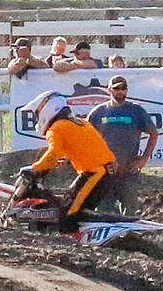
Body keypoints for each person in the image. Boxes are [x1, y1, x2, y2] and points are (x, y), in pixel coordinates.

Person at [27, 90, 116, 230]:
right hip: (103, 170)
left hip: (95, 173)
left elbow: (53, 152)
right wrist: (66, 160)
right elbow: (84, 146)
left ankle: (73, 241)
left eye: (37, 114)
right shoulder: (81, 122)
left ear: (46, 109)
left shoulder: (56, 128)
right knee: (72, 204)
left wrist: (35, 168)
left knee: (69, 213)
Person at [88, 76, 159, 213]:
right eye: (116, 89)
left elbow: (153, 133)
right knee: (104, 212)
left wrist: (143, 159)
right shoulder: (98, 112)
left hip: (128, 171)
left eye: (123, 88)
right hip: (104, 172)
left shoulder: (136, 111)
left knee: (130, 212)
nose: (120, 92)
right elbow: (85, 138)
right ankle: (109, 235)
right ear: (109, 90)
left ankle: (129, 234)